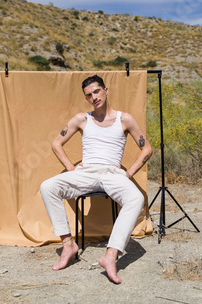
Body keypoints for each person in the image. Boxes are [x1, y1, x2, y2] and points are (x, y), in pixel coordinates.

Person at [40, 75, 153, 284]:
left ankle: (110, 255)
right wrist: (71, 168)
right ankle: (68, 245)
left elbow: (147, 148)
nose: (94, 97)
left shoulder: (124, 119)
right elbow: (57, 144)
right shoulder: (82, 119)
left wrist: (128, 174)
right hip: (87, 171)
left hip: (112, 173)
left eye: (97, 91)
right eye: (89, 95)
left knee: (136, 198)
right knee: (47, 186)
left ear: (106, 90)